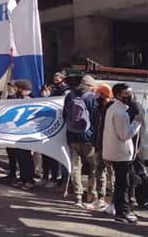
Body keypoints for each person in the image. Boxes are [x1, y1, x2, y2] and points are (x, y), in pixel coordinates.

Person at [103, 83, 142, 225]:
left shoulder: (114, 109)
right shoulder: (120, 112)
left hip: (118, 152)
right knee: (122, 184)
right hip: (120, 154)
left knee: (122, 183)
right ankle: (122, 212)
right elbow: (124, 135)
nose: (129, 96)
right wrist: (136, 124)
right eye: (126, 93)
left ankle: (122, 210)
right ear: (118, 95)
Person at [64, 74, 99, 206]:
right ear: (90, 86)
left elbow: (64, 115)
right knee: (94, 167)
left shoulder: (70, 96)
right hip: (88, 137)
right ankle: (92, 193)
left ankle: (78, 196)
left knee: (76, 167)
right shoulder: (91, 98)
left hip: (72, 136)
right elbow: (96, 119)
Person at [124, 91, 148, 209]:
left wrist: (136, 147)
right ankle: (132, 197)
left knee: (140, 172)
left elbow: (139, 128)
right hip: (133, 144)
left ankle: (145, 199)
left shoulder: (135, 107)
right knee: (130, 172)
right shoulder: (133, 106)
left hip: (136, 145)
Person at [91, 83, 114, 209]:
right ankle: (100, 199)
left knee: (112, 174)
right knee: (99, 172)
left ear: (104, 94)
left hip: (110, 146)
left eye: (98, 93)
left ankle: (114, 201)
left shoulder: (113, 108)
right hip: (99, 145)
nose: (96, 96)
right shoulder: (98, 108)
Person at [12, 79, 36, 191]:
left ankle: (29, 179)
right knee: (20, 157)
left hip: (26, 133)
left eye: (17, 87)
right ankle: (22, 177)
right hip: (18, 133)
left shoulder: (30, 100)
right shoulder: (18, 99)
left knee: (26, 157)